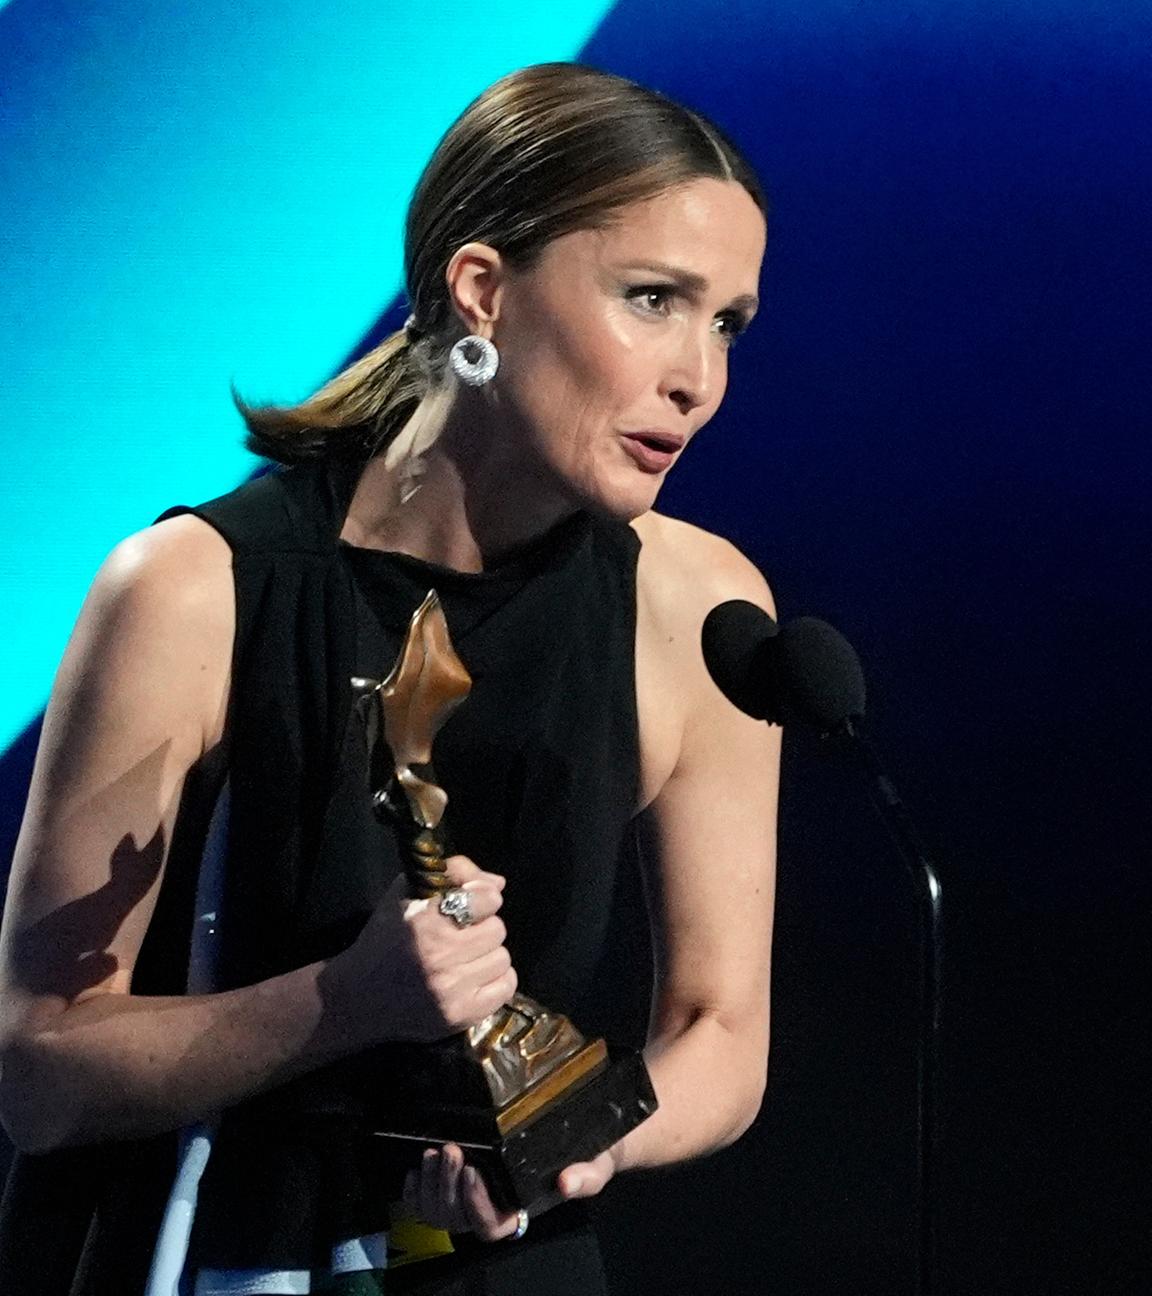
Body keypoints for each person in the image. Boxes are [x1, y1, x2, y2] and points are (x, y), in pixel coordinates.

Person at [0, 62, 778, 1294]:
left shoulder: (699, 611)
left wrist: (581, 1141)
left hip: (507, 1266)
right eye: (653, 300)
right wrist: (344, 1002)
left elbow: (720, 1034)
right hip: (207, 1247)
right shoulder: (194, 591)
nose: (701, 378)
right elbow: (39, 1073)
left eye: (727, 322)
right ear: (482, 291)